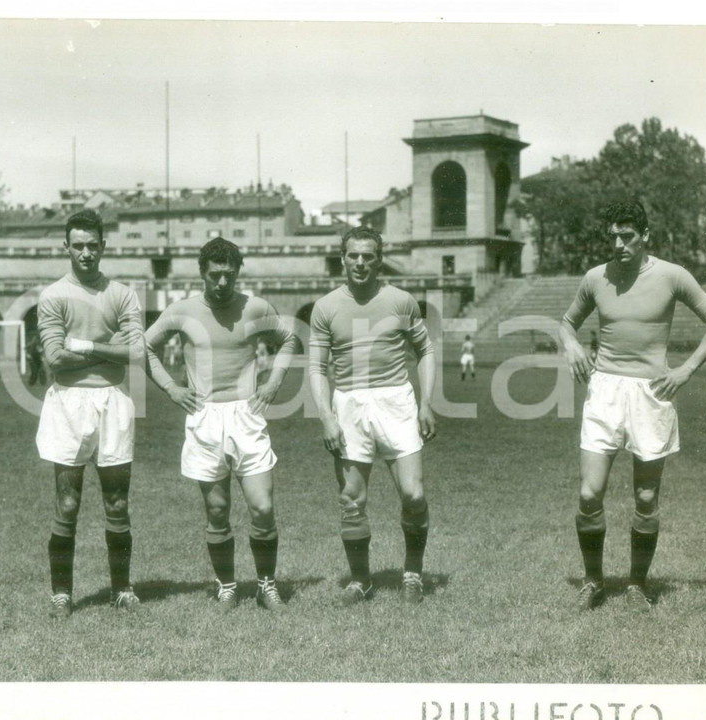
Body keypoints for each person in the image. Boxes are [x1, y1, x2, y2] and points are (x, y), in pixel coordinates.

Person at [559, 200, 706, 612]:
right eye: (613, 236)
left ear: (645, 236)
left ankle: (636, 584)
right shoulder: (596, 278)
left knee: (647, 497)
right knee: (588, 493)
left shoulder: (672, 276)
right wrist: (571, 344)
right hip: (604, 391)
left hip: (652, 392)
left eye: (628, 236)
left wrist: (685, 370)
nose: (618, 244)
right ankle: (593, 580)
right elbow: (566, 323)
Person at [145, 238, 298, 612]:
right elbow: (144, 346)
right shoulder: (182, 310)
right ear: (202, 273)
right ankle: (227, 585)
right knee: (217, 510)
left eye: (230, 274)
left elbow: (290, 338)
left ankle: (266, 584)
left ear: (238, 272)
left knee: (262, 508)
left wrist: (274, 380)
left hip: (247, 414)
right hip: (204, 416)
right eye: (215, 275)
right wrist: (170, 388)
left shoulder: (256, 307)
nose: (223, 283)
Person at [308, 226, 437, 606]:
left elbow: (425, 351)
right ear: (342, 258)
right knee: (351, 498)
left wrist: (426, 402)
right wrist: (326, 418)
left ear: (379, 259)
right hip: (348, 404)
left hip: (396, 400)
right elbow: (316, 367)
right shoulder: (326, 307)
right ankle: (360, 580)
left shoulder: (401, 300)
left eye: (368, 256)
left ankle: (412, 572)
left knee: (413, 493)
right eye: (354, 256)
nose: (360, 263)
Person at [35, 209, 145, 619]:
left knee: (117, 502)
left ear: (104, 246)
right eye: (77, 245)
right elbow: (55, 359)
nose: (85, 253)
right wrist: (105, 346)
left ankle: (122, 588)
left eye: (92, 245)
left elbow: (136, 351)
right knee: (67, 502)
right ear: (66, 247)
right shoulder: (52, 296)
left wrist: (81, 345)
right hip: (67, 403)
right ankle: (62, 593)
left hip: (113, 402)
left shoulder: (122, 294)